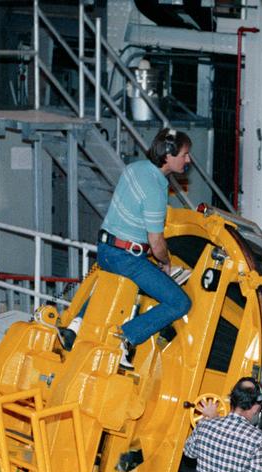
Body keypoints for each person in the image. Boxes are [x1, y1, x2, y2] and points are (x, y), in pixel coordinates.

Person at [62, 128, 194, 368]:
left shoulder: (135, 168)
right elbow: (156, 243)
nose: (188, 160)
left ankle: (75, 326)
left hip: (105, 250)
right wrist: (165, 262)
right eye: (184, 154)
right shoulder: (156, 187)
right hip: (127, 257)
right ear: (168, 155)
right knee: (179, 303)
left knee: (116, 280)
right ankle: (125, 338)